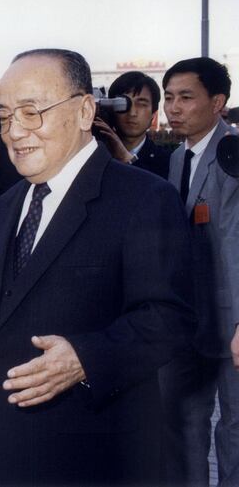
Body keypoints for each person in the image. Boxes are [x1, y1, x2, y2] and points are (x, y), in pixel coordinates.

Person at [0, 48, 195, 485]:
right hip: (1, 453)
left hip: (91, 457)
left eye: (32, 112)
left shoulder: (144, 199)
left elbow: (170, 319)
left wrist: (85, 358)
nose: (15, 132)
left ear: (85, 110)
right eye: (5, 115)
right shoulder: (7, 203)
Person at [159, 57, 239, 485]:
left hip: (232, 322)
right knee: (185, 423)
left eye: (186, 97)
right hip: (190, 322)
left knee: (234, 428)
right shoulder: (178, 159)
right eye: (169, 97)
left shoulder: (233, 153)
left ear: (218, 102)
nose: (174, 107)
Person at [92, 71, 171, 178]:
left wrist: (128, 160)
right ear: (110, 107)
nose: (132, 113)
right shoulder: (96, 152)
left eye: (142, 104)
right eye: (123, 103)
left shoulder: (167, 161)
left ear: (154, 114)